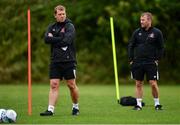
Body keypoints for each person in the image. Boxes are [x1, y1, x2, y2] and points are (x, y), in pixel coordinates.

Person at [40, 5, 79, 116]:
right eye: (60, 14)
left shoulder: (70, 26)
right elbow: (46, 39)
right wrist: (59, 37)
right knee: (54, 84)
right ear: (55, 15)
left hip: (69, 61)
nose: (62, 16)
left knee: (71, 85)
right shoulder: (51, 26)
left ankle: (75, 106)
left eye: (64, 14)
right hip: (55, 60)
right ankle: (50, 110)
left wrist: (54, 38)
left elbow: (67, 41)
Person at [128, 12, 164, 110]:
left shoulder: (157, 32)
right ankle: (138, 105)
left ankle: (157, 104)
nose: (141, 22)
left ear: (149, 20)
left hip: (151, 62)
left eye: (143, 20)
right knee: (138, 83)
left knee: (153, 83)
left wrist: (158, 59)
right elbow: (131, 46)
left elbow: (161, 47)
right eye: (140, 20)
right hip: (138, 62)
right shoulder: (137, 32)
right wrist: (131, 59)